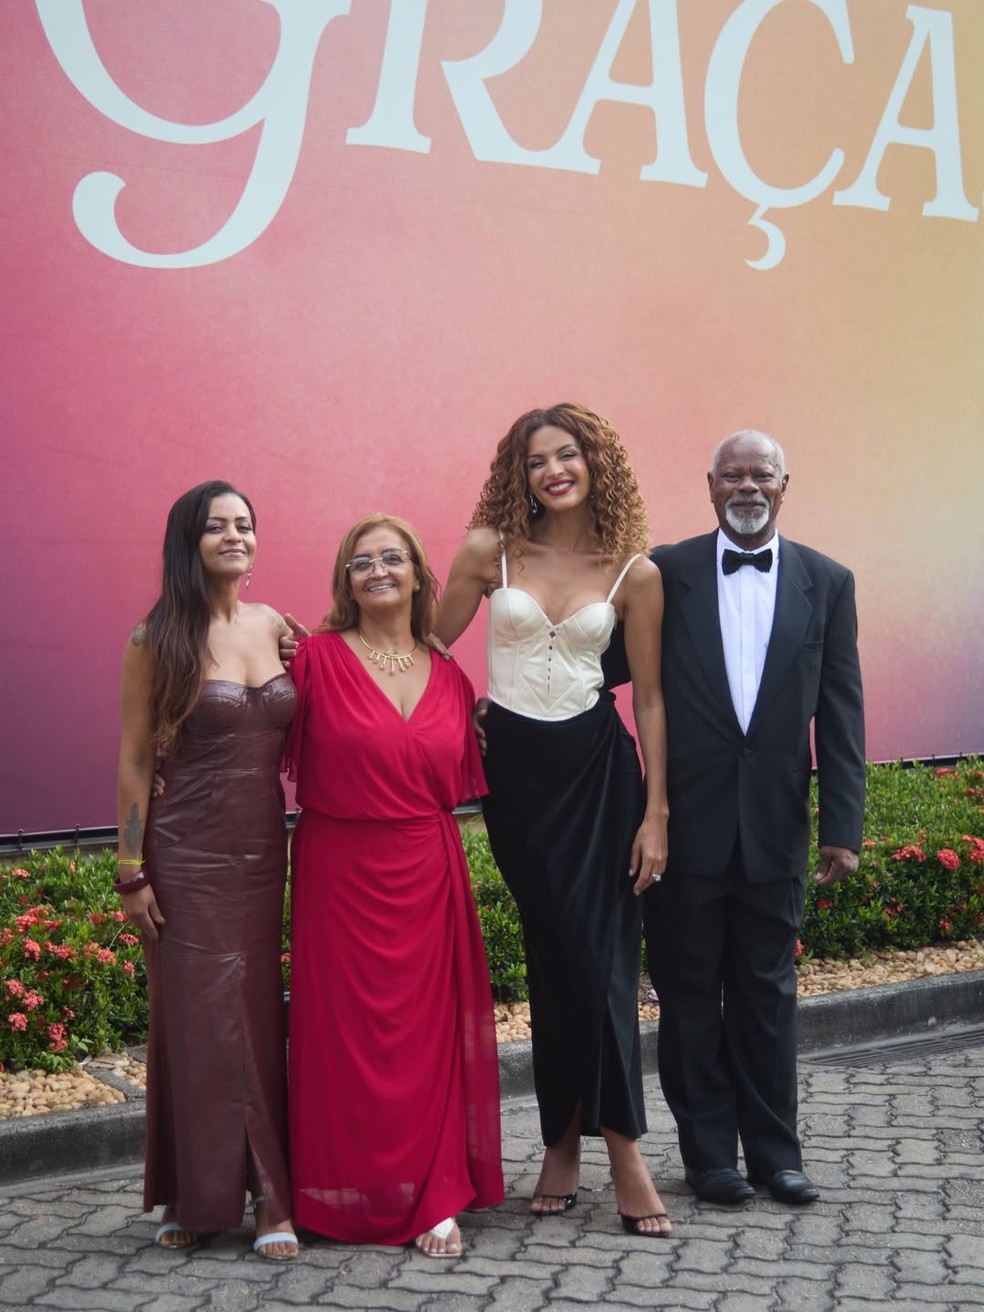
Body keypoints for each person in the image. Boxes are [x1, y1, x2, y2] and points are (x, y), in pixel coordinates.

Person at [605, 429, 865, 1206]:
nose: (746, 487)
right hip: (681, 826)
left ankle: (777, 1156)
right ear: (709, 484)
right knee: (688, 998)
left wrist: (843, 827)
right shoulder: (667, 572)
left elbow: (842, 711)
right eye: (732, 475)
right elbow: (604, 666)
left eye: (761, 475)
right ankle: (710, 1157)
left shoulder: (829, 579)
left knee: (768, 996)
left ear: (785, 485)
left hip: (776, 830)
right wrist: (514, 700)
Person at [435, 403, 673, 1238]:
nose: (553, 471)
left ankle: (621, 1147)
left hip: (602, 779)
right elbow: (422, 648)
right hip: (520, 787)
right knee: (554, 957)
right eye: (537, 461)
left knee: (605, 962)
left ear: (595, 462)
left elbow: (647, 698)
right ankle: (562, 1138)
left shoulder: (633, 573)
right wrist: (459, 716)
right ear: (519, 474)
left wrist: (657, 813)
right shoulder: (486, 551)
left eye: (567, 455)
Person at [284, 514, 503, 1258]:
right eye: (360, 561)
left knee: (426, 1036)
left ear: (418, 575)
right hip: (337, 872)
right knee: (343, 1037)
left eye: (393, 558)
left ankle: (432, 1192)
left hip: (427, 866)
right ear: (345, 582)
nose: (378, 570)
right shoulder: (309, 660)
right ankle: (336, 1190)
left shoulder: (450, 673)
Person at [115, 480, 298, 1258]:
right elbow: (131, 760)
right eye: (217, 526)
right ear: (188, 540)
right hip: (184, 855)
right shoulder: (156, 638)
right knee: (196, 1024)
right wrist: (130, 868)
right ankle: (205, 1195)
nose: (235, 537)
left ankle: (264, 1193)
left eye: (245, 525)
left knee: (255, 1014)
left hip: (262, 851)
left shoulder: (278, 628)